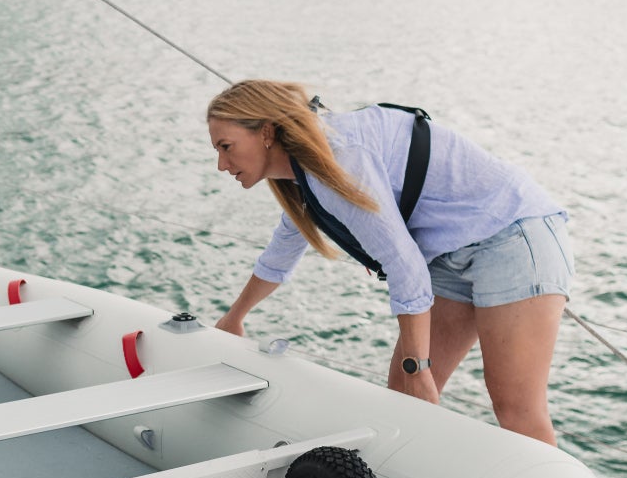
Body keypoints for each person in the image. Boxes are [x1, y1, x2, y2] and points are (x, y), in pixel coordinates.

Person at [206, 79, 573, 445]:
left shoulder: (337, 160)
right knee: (403, 395)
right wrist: (234, 318)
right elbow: (281, 252)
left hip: (512, 233)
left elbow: (405, 266)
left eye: (226, 147)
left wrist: (419, 366)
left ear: (266, 132)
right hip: (451, 252)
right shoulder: (306, 172)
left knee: (515, 408)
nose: (222, 164)